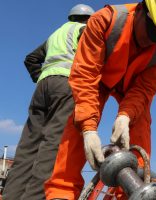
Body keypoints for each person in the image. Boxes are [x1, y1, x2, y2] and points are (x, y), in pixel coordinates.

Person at [44, 0, 156, 199]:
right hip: (99, 80)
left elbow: (144, 89)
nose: (153, 41)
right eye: (153, 32)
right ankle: (62, 191)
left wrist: (125, 115)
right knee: (79, 120)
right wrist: (88, 129)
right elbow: (86, 75)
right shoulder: (105, 21)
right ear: (141, 10)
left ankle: (132, 193)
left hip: (131, 88)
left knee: (140, 122)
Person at [2, 4, 94, 200]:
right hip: (67, 85)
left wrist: (41, 77)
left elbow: (31, 59)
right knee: (53, 145)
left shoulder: (55, 34)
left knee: (27, 147)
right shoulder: (84, 30)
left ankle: (10, 196)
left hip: (43, 87)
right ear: (89, 18)